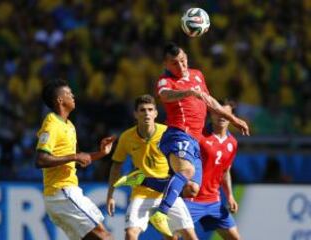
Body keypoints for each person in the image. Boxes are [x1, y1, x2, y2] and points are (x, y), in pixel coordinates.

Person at [114, 42, 249, 236]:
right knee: (186, 171)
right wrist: (188, 92)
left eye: (183, 60)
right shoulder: (165, 80)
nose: (181, 66)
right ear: (166, 64)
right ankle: (161, 212)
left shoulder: (197, 75)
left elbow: (209, 101)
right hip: (178, 133)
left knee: (192, 188)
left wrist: (233, 119)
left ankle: (144, 179)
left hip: (193, 138)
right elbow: (165, 96)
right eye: (175, 63)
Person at [106, 94, 198, 240]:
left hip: (167, 193)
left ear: (156, 113)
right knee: (130, 234)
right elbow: (116, 166)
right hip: (141, 193)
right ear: (135, 114)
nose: (147, 113)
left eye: (150, 110)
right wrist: (110, 195)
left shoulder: (168, 133)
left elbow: (183, 160)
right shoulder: (126, 137)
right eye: (142, 110)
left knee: (188, 237)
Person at [35, 79, 116, 240]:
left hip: (67, 193)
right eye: (68, 93)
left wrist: (101, 153)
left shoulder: (69, 125)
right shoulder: (51, 123)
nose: (73, 96)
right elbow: (41, 159)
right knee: (104, 236)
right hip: (61, 192)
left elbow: (79, 158)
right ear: (59, 100)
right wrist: (74, 156)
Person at [182, 100, 242, 240]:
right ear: (210, 113)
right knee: (172, 236)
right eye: (217, 112)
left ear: (232, 117)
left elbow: (225, 171)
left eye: (226, 113)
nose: (221, 116)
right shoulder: (198, 136)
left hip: (214, 201)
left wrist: (230, 196)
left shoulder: (232, 143)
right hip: (191, 199)